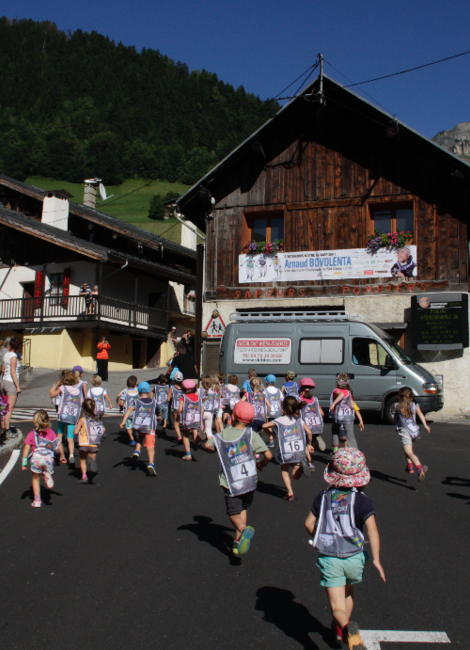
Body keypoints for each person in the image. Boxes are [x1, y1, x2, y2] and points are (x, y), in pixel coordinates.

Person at [304, 448, 386, 649]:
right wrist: (376, 559)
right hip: (354, 557)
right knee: (348, 592)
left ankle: (346, 626)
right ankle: (342, 631)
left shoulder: (322, 498)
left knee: (336, 607)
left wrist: (319, 538)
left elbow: (308, 524)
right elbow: (372, 530)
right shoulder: (362, 501)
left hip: (331, 558)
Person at [205, 401, 272, 556]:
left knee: (233, 513)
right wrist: (261, 464)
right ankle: (237, 541)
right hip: (249, 481)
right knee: (243, 508)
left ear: (233, 416)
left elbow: (208, 446)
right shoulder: (251, 435)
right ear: (251, 421)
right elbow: (268, 455)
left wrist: (214, 448)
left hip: (232, 482)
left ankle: (243, 530)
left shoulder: (223, 435)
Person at [262, 396, 313, 501]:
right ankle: (300, 466)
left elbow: (264, 426)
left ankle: (290, 493)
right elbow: (309, 432)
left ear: (283, 408)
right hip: (299, 449)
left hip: (286, 450)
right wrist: (309, 444)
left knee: (284, 470)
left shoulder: (279, 420)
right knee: (295, 474)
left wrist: (272, 432)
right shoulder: (299, 420)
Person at [21, 410, 64, 507]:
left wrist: (24, 463)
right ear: (47, 421)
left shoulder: (31, 434)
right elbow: (58, 444)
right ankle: (46, 474)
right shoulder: (51, 433)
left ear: (34, 421)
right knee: (45, 468)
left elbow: (27, 448)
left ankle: (37, 501)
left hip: (36, 458)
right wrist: (62, 456)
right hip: (48, 459)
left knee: (35, 479)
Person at [393, 386, 430, 481]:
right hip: (414, 430)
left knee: (408, 451)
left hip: (405, 431)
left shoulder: (397, 406)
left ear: (399, 396)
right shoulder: (414, 405)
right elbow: (420, 414)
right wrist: (425, 425)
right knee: (407, 448)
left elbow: (395, 419)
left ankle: (419, 468)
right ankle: (409, 465)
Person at [120, 382, 157, 476]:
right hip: (150, 426)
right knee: (150, 447)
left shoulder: (136, 402)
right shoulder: (154, 402)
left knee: (140, 437)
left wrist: (123, 421)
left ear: (138, 392)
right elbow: (158, 411)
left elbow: (129, 410)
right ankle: (151, 463)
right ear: (149, 391)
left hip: (140, 425)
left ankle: (137, 451)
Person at [50, 370, 83, 465]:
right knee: (70, 437)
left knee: (60, 433)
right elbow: (80, 404)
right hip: (73, 416)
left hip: (63, 414)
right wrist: (79, 417)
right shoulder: (78, 391)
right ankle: (71, 455)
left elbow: (52, 394)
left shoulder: (63, 388)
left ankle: (59, 452)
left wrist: (56, 385)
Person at [329, 374, 364, 453]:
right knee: (350, 434)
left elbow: (341, 395)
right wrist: (360, 421)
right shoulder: (348, 392)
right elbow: (352, 405)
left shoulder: (336, 390)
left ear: (337, 382)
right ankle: (354, 452)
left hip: (338, 415)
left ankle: (335, 448)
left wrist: (334, 404)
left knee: (335, 430)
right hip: (347, 416)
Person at [74, 398, 105, 484]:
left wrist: (77, 429)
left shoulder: (82, 420)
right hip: (94, 444)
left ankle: (84, 476)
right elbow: (103, 430)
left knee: (82, 459)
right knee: (91, 457)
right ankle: (91, 462)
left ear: (83, 409)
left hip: (83, 443)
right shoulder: (97, 420)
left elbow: (76, 432)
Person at [1, 335, 22, 437]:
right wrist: (17, 386)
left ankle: (2, 427)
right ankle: (6, 430)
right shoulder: (13, 356)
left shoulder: (6, 355)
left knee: (4, 406)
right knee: (10, 408)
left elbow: (2, 369)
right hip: (11, 382)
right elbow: (13, 372)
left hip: (4, 380)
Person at [177, 378, 203, 461]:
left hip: (187, 419)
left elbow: (180, 409)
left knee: (185, 435)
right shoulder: (198, 398)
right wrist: (201, 418)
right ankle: (198, 438)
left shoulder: (183, 397)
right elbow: (202, 410)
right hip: (197, 418)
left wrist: (178, 416)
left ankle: (188, 454)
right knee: (195, 433)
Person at [298, 377, 326, 452]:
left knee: (305, 443)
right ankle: (316, 437)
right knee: (311, 439)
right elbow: (322, 413)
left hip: (305, 424)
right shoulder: (315, 399)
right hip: (316, 423)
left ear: (300, 387)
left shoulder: (299, 399)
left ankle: (307, 460)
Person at [117, 375, 139, 446]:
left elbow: (121, 403)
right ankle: (136, 434)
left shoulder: (125, 392)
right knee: (135, 424)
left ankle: (132, 439)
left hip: (128, 413)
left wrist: (121, 408)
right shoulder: (137, 392)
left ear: (126, 384)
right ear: (135, 384)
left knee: (128, 426)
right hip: (136, 412)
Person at [264, 374, 282, 448]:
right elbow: (282, 400)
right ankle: (281, 442)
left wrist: (266, 415)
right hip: (278, 412)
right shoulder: (278, 390)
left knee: (269, 427)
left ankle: (271, 442)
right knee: (278, 428)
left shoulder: (265, 391)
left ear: (266, 382)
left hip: (269, 412)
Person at [168, 372, 184, 443]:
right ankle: (185, 435)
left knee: (176, 422)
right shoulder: (184, 388)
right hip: (183, 407)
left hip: (175, 407)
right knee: (183, 421)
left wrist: (171, 397)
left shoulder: (172, 387)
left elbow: (168, 399)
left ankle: (179, 437)